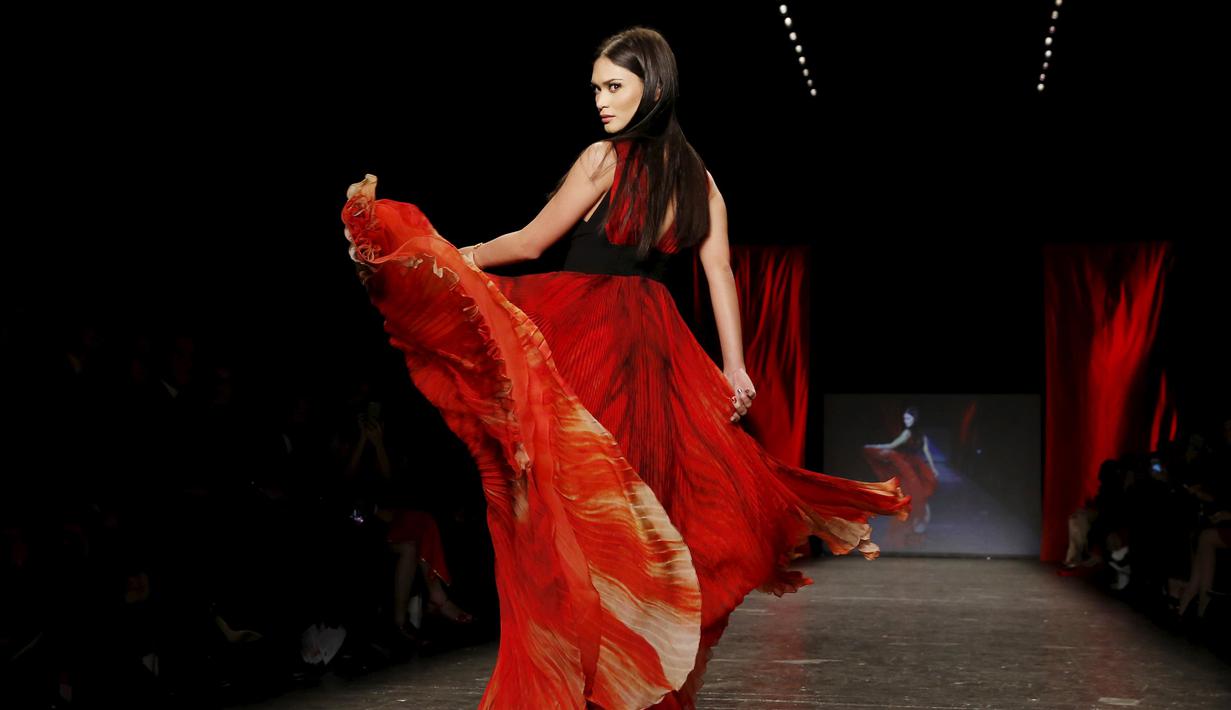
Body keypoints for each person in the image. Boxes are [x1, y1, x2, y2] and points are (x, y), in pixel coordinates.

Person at [341, 25, 910, 710]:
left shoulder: (605, 159)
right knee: (638, 509)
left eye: (613, 86)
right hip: (655, 347)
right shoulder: (698, 177)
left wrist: (442, 258)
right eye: (595, 89)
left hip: (588, 332)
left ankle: (594, 674)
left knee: (575, 508)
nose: (600, 101)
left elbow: (529, 242)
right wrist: (733, 366)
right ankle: (623, 676)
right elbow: (717, 270)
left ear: (654, 86)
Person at [863, 406, 939, 539]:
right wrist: (932, 468)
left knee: (915, 496)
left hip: (908, 467)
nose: (906, 420)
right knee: (918, 496)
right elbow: (926, 453)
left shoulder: (908, 433)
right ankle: (918, 524)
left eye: (908, 418)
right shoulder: (920, 435)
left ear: (914, 419)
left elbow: (892, 446)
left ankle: (916, 523)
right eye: (904, 418)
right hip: (915, 466)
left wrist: (874, 446)